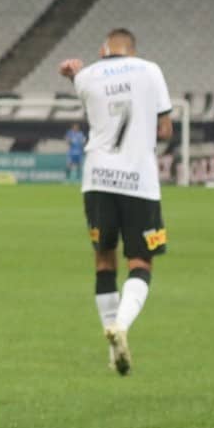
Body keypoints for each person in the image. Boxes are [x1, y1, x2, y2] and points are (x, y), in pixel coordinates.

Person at [59, 30, 172, 375]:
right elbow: (165, 131)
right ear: (132, 48)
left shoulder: (88, 76)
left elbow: (80, 78)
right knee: (140, 260)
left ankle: (112, 349)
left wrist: (74, 72)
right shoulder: (150, 70)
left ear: (104, 47)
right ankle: (121, 325)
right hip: (139, 181)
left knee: (104, 260)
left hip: (97, 181)